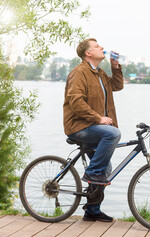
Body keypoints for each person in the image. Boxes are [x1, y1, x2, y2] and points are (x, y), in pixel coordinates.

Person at [63, 38, 124, 222]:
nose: (102, 47)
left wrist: (115, 68)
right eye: (97, 46)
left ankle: (92, 211)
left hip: (93, 127)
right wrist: (98, 118)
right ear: (88, 53)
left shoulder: (99, 73)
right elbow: (76, 102)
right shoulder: (79, 73)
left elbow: (117, 86)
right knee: (113, 133)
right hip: (79, 127)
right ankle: (92, 173)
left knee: (106, 168)